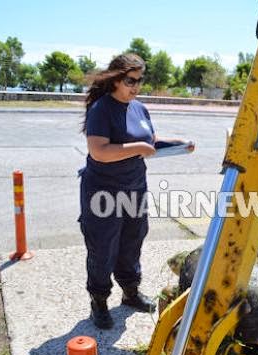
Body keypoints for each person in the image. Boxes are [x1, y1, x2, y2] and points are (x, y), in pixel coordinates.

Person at [79, 53, 194, 329]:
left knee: (133, 240)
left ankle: (130, 293)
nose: (136, 86)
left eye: (140, 81)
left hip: (134, 188)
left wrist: (179, 142)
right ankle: (99, 301)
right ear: (116, 79)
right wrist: (139, 149)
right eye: (131, 80)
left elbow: (150, 141)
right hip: (103, 192)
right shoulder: (102, 109)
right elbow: (99, 151)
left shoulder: (139, 108)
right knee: (103, 247)